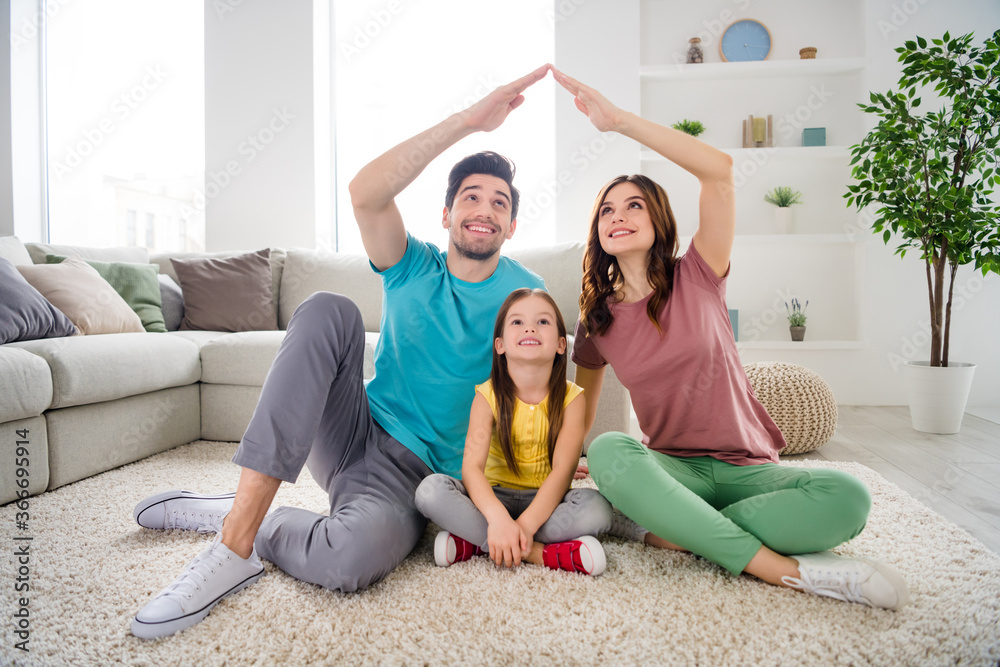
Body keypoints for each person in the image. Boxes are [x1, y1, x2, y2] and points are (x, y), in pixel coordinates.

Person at [129, 66, 553, 639]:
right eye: (470, 197)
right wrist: (467, 123)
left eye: (499, 202)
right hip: (353, 431)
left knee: (347, 560)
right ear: (446, 215)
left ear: (512, 223)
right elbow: (366, 192)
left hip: (422, 479)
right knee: (330, 308)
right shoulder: (411, 264)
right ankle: (234, 544)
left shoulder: (525, 294)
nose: (484, 208)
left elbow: (535, 385)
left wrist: (545, 455)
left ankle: (252, 513)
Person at [551, 67, 910, 610]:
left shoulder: (699, 272)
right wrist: (577, 456)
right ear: (597, 231)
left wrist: (619, 122)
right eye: (606, 209)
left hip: (750, 469)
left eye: (633, 206)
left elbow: (719, 171)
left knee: (848, 498)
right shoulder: (597, 320)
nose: (617, 216)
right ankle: (783, 571)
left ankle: (687, 534)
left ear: (658, 222)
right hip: (673, 470)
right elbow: (584, 404)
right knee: (608, 450)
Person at [416, 288, 612, 576]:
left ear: (561, 344)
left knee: (598, 508)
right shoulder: (487, 396)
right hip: (492, 500)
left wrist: (525, 525)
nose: (530, 327)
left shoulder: (573, 398)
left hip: (546, 504)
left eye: (543, 322)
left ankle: (480, 545)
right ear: (500, 345)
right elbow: (471, 470)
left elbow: (562, 473)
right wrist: (497, 519)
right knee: (429, 491)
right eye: (517, 322)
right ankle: (540, 553)